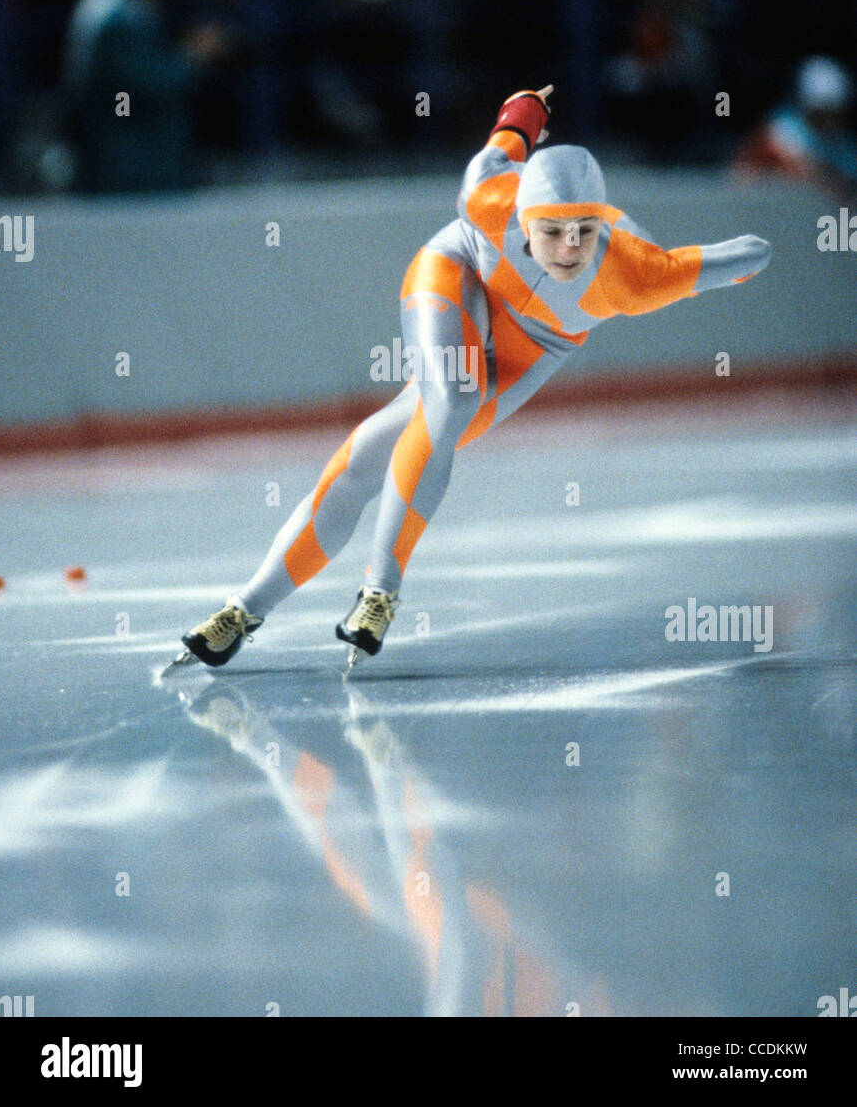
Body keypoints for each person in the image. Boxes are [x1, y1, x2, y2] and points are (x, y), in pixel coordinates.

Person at [173, 84, 771, 672]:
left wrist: (740, 262)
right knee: (453, 395)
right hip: (458, 271)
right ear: (521, 218)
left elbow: (752, 251)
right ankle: (376, 591)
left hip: (534, 345)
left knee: (370, 459)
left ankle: (245, 612)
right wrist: (528, 106)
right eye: (552, 231)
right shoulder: (488, 197)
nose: (569, 249)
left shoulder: (636, 275)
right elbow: (507, 138)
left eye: (585, 232)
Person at [63, 0, 228, 195]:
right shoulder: (114, 16)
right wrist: (193, 56)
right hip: (130, 168)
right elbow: (148, 84)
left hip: (150, 160)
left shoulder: (140, 10)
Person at [733, 56, 857, 201]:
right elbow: (797, 168)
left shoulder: (843, 141)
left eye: (833, 114)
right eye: (820, 114)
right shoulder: (780, 129)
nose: (827, 122)